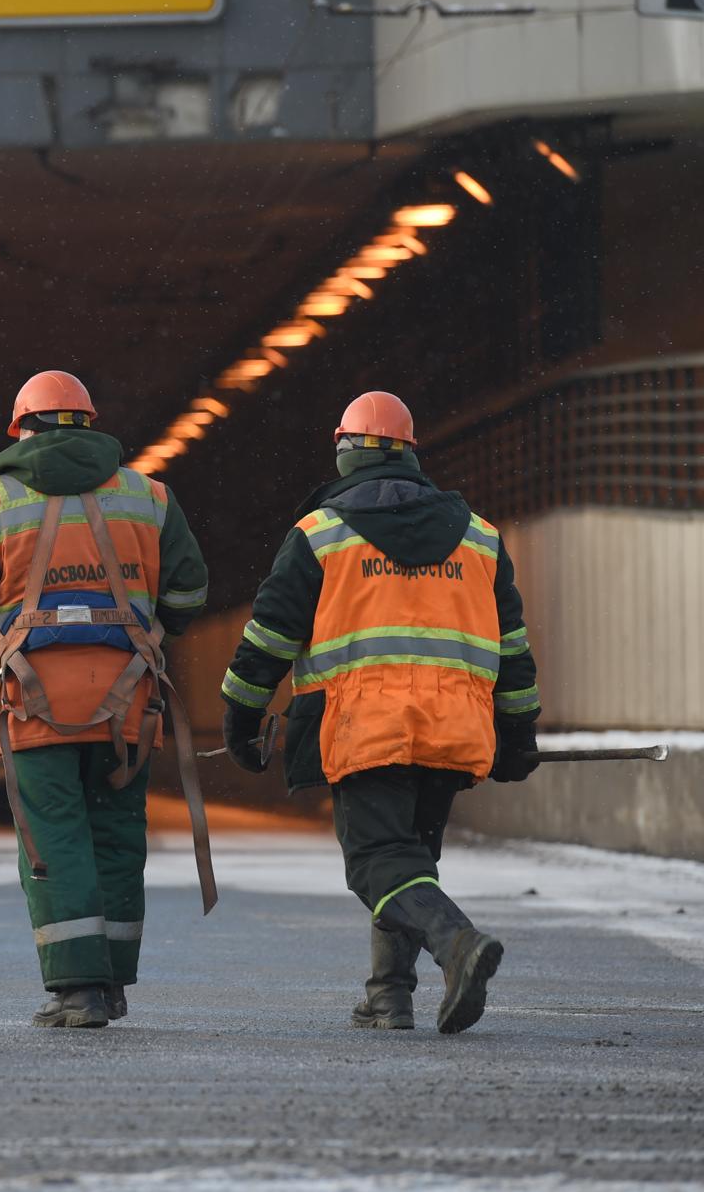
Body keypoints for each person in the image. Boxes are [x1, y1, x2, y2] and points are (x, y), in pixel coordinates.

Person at [219, 391, 541, 1035]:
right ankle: (389, 995)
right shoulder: (479, 538)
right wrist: (516, 734)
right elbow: (512, 648)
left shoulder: (321, 535)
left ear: (345, 453)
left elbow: (269, 639)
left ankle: (456, 943)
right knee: (410, 856)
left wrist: (241, 713)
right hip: (454, 730)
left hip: (365, 729)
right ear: (411, 453)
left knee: (377, 863)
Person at [0, 371, 209, 1029]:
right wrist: (142, 637)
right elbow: (191, 593)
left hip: (33, 703)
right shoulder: (150, 497)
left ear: (19, 429)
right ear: (90, 423)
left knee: (53, 839)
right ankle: (111, 984)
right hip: (129, 702)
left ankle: (77, 988)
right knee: (114, 837)